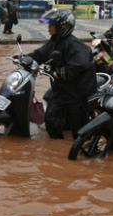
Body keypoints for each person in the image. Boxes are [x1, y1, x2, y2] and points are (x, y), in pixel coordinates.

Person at [27, 9, 97, 139]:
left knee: (79, 130)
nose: (48, 28)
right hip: (61, 90)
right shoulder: (55, 41)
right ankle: (56, 153)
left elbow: (77, 67)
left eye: (51, 25)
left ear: (62, 27)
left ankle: (81, 151)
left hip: (77, 92)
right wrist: (26, 58)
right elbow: (41, 54)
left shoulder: (75, 45)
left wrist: (56, 72)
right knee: (51, 121)